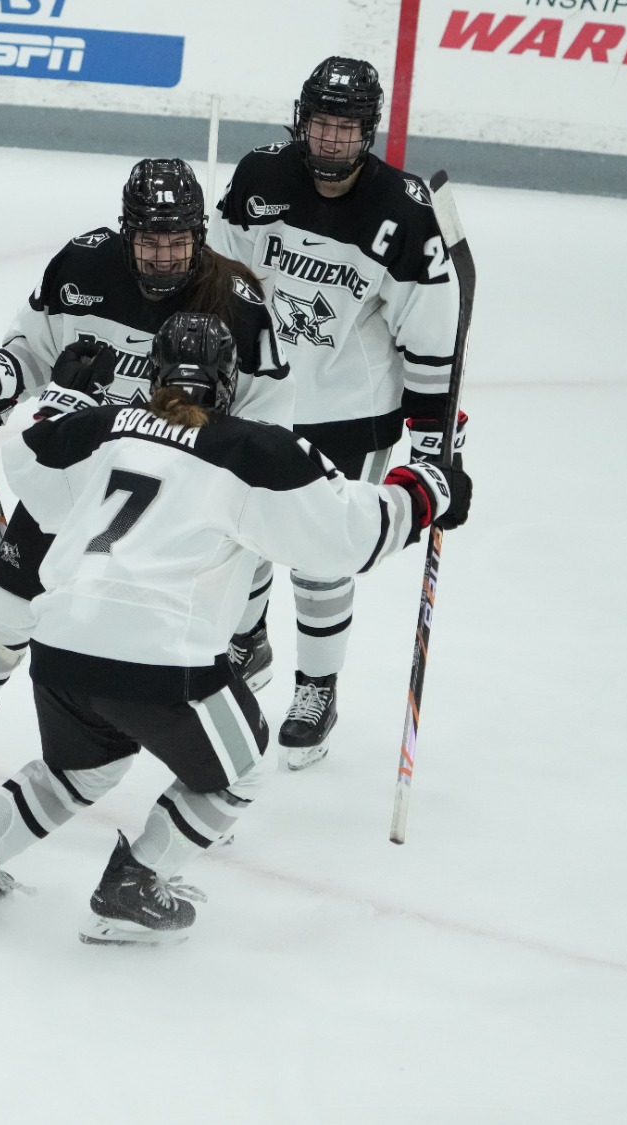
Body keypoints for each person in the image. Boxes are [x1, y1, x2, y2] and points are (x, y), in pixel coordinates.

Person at [0, 313, 469, 944]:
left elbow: (31, 462)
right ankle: (135, 883)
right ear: (229, 381)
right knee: (238, 774)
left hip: (61, 643)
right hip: (161, 658)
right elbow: (347, 536)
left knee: (79, 771)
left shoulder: (106, 425)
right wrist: (428, 488)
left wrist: (66, 397)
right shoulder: (254, 448)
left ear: (154, 373)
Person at [0, 158, 291, 791]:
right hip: (75, 482)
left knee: (191, 648)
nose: (164, 256)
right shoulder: (81, 267)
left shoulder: (238, 305)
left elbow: (267, 427)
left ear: (200, 233)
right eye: (149, 240)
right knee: (4, 615)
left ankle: (219, 776)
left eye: (178, 240)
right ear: (126, 231)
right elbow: (31, 352)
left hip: (176, 509)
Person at [209, 55, 463, 771]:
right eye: (319, 125)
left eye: (345, 130)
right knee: (237, 527)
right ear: (301, 120)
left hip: (351, 415)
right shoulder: (261, 178)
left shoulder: (405, 212)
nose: (328, 143)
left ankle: (317, 688)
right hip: (258, 394)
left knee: (321, 553)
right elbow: (222, 271)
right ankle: (245, 638)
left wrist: (434, 433)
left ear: (368, 132)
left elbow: (430, 331)